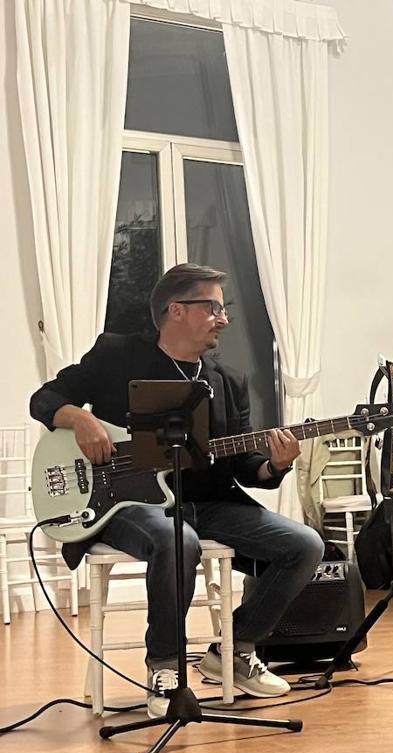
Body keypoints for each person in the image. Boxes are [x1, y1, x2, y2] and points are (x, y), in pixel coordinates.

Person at [30, 263, 325, 717]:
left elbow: (243, 466)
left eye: (224, 310)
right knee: (176, 538)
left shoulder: (228, 381)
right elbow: (45, 398)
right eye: (214, 307)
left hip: (208, 501)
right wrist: (81, 419)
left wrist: (274, 464)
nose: (224, 319)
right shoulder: (117, 354)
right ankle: (164, 666)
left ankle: (233, 649)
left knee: (304, 545)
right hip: (123, 502)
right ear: (176, 310)